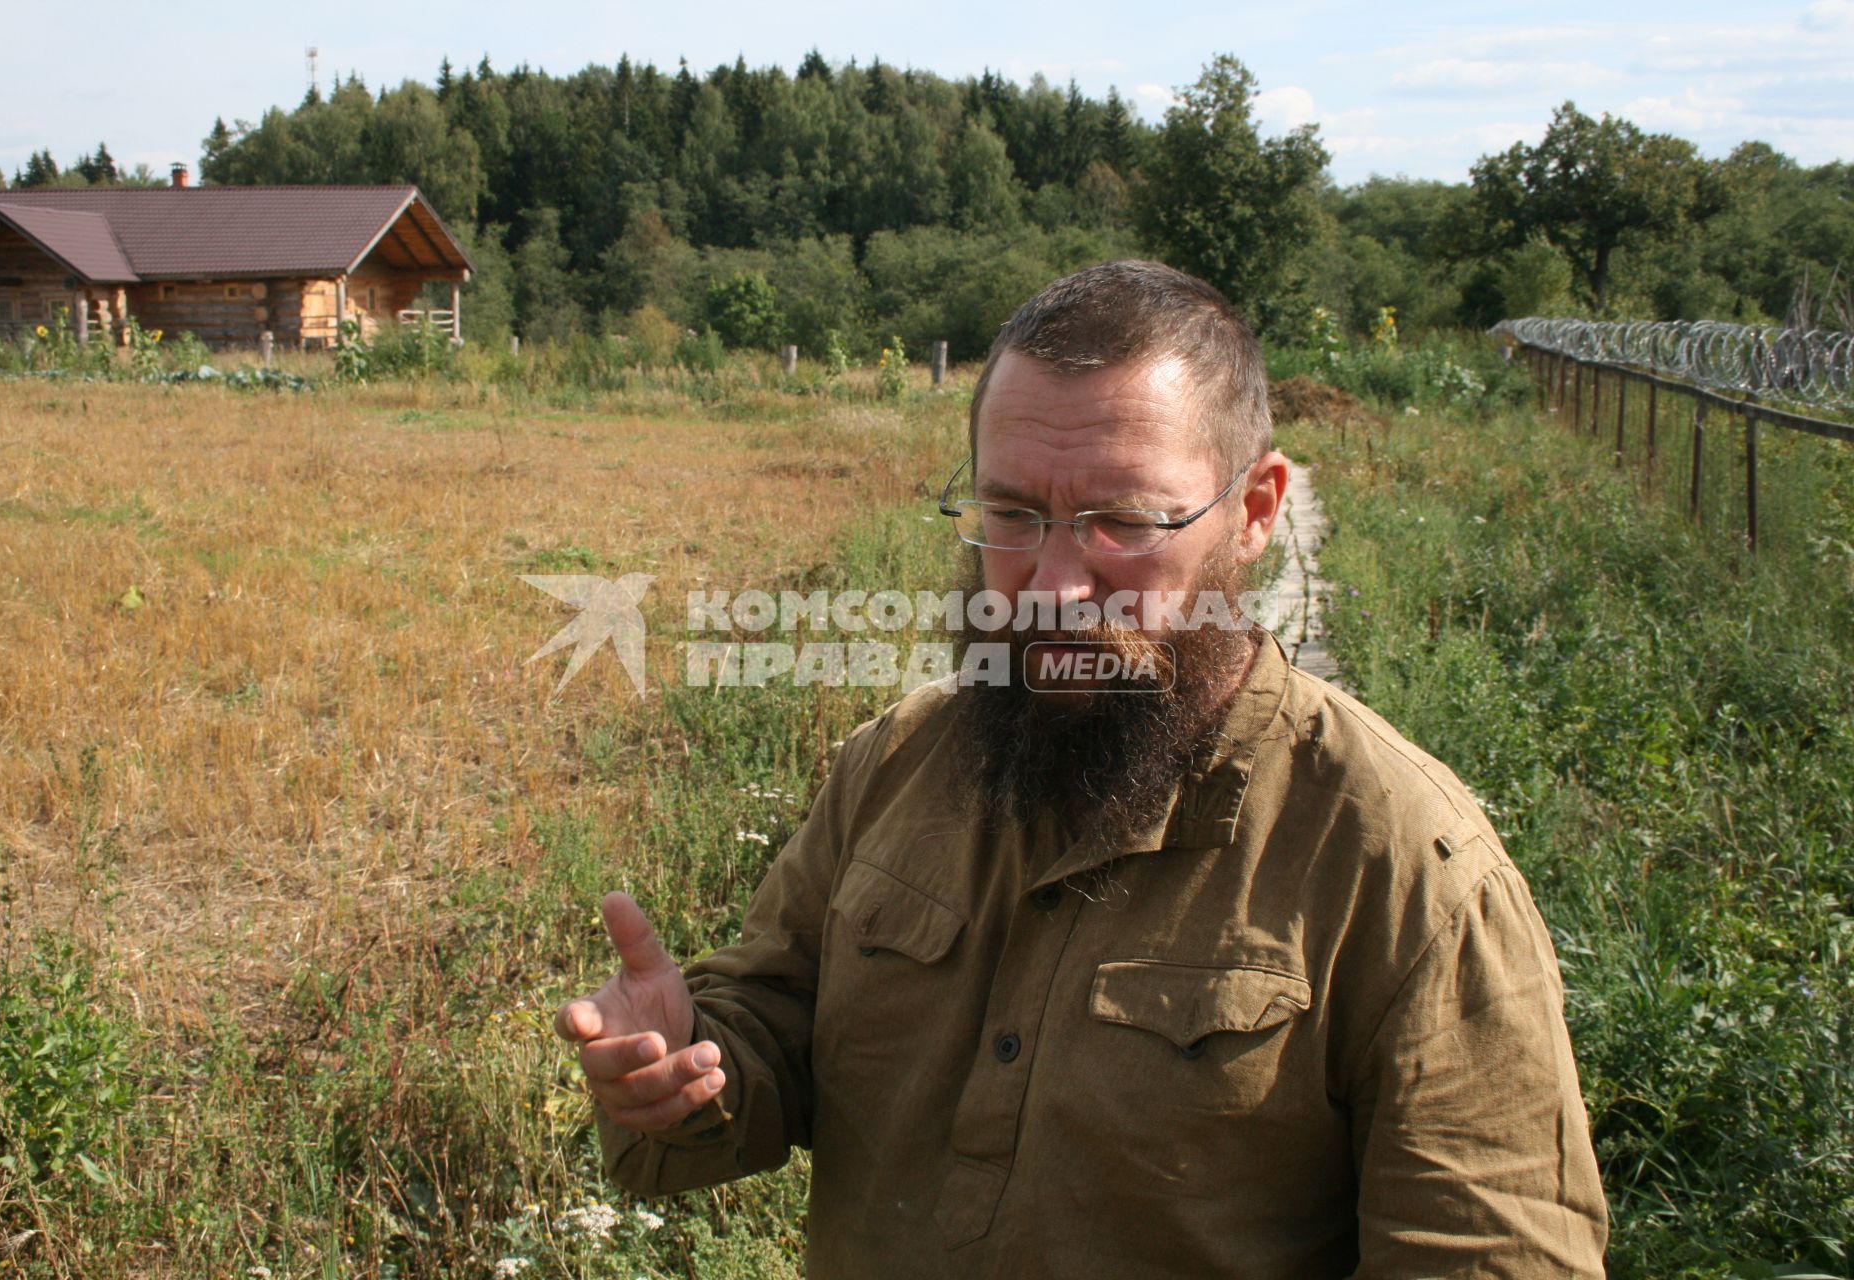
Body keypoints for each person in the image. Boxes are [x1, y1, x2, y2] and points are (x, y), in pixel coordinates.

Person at [555, 261, 1610, 1277]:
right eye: (1012, 513)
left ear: (1254, 512)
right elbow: (773, 1029)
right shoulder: (895, 767)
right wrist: (689, 1062)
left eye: (1126, 520)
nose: (1054, 584)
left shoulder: (1404, 870)